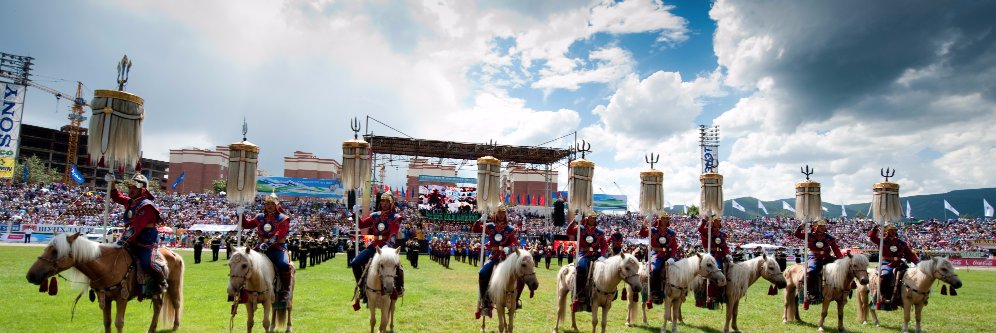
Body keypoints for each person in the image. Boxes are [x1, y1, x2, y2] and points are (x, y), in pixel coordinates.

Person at [109, 173, 167, 295]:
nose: (131, 190)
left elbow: (136, 228)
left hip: (146, 241)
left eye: (134, 188)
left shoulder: (147, 206)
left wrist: (122, 241)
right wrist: (112, 183)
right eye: (130, 188)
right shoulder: (131, 202)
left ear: (142, 189)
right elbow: (117, 197)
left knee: (148, 263)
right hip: (132, 239)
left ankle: (162, 281)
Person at [350, 191, 405, 310]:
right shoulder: (375, 215)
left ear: (391, 203)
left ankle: (399, 289)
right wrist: (355, 214)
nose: (384, 203)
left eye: (387, 201)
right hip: (374, 245)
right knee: (355, 263)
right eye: (382, 201)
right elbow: (361, 225)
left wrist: (388, 245)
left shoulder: (396, 218)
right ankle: (362, 288)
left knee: (399, 268)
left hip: (387, 247)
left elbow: (394, 234)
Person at [239, 193, 293, 305]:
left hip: (277, 247)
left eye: (272, 203)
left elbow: (280, 234)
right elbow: (246, 224)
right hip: (260, 246)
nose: (269, 206)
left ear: (277, 205)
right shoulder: (259, 217)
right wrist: (240, 213)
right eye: (267, 203)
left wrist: (268, 244)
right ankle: (242, 290)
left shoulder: (284, 219)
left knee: (284, 265)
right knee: (245, 262)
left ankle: (285, 291)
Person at [471, 205, 518, 319]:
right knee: (482, 273)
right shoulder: (489, 226)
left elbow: (514, 242)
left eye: (503, 213)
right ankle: (485, 301)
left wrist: (510, 248)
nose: (501, 215)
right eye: (499, 213)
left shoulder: (510, 229)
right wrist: (479, 221)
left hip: (506, 257)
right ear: (495, 214)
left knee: (520, 274)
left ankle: (516, 300)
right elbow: (475, 229)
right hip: (493, 256)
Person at [794, 219, 843, 308]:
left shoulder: (829, 238)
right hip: (814, 256)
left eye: (824, 226)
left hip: (827, 257)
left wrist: (841, 259)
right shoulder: (809, 236)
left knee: (843, 268)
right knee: (813, 271)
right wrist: (801, 226)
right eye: (820, 226)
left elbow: (836, 249)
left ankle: (846, 290)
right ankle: (809, 292)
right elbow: (797, 235)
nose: (822, 228)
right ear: (815, 227)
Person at [869, 224, 919, 308]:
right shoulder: (882, 241)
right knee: (886, 275)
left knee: (911, 275)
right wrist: (875, 229)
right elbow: (872, 238)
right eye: (891, 230)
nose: (893, 232)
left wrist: (918, 262)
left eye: (894, 230)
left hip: (899, 263)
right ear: (886, 232)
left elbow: (909, 254)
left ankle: (907, 295)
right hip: (885, 263)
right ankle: (883, 296)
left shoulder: (901, 243)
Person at [567, 214, 608, 312]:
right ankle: (579, 292)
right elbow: (568, 231)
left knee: (606, 267)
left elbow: (604, 245)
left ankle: (608, 292)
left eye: (594, 218)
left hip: (596, 254)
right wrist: (575, 220)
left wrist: (602, 254)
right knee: (581, 267)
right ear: (587, 219)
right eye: (590, 218)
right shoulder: (580, 228)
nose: (592, 220)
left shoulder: (600, 232)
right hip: (583, 253)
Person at [641, 215, 679, 306]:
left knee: (679, 270)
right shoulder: (653, 230)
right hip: (656, 254)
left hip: (668, 256)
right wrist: (645, 223)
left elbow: (674, 246)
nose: (665, 220)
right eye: (663, 219)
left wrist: (672, 257)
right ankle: (655, 292)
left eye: (666, 219)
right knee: (655, 269)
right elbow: (642, 233)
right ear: (659, 220)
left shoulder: (671, 232)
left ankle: (680, 291)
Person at [698, 217, 729, 307]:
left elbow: (725, 247)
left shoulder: (722, 234)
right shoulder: (707, 232)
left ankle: (724, 292)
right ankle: (712, 296)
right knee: (716, 270)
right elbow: (700, 229)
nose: (717, 223)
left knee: (729, 269)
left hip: (719, 256)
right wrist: (705, 220)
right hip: (710, 255)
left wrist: (727, 254)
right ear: (712, 222)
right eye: (715, 221)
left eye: (719, 221)